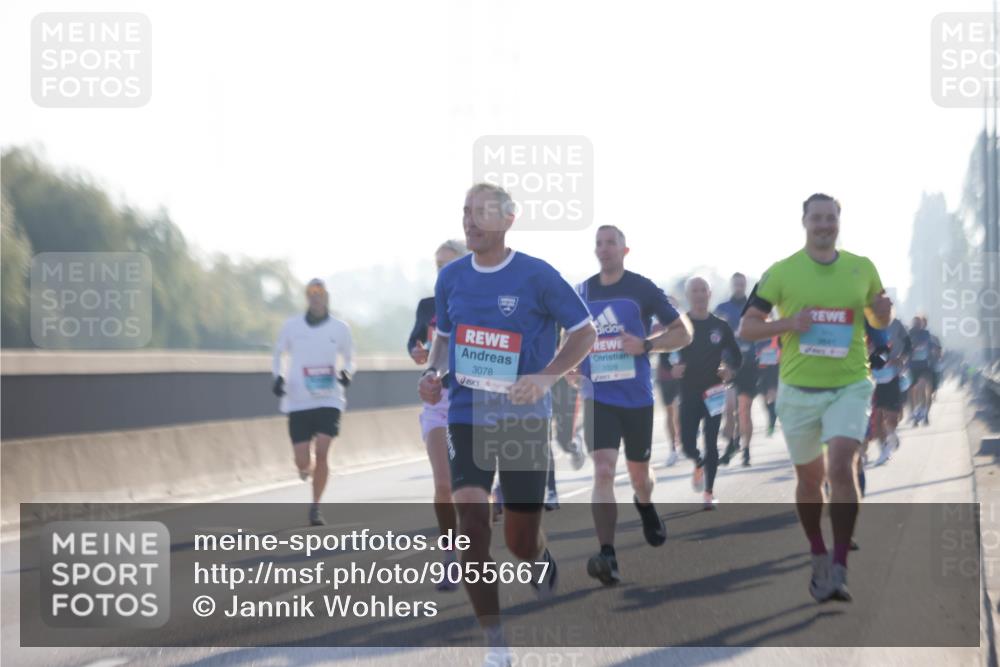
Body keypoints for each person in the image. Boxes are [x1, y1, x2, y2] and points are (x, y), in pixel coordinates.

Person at [418, 183, 596, 667]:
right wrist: (433, 374)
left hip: (523, 421)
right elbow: (445, 338)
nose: (470, 222)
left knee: (519, 540)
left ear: (508, 219)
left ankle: (539, 559)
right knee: (471, 525)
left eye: (480, 213)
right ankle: (496, 645)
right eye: (465, 213)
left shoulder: (537, 276)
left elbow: (585, 333)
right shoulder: (451, 277)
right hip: (466, 416)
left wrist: (544, 378)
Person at [739, 193, 891, 603]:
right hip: (798, 390)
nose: (824, 225)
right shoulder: (782, 272)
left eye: (831, 218)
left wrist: (881, 310)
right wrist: (791, 322)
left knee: (841, 466)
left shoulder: (862, 268)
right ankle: (818, 553)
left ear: (839, 222)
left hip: (850, 385)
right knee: (809, 480)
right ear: (804, 222)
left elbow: (879, 318)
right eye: (817, 218)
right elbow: (748, 328)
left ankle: (840, 565)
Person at [577, 225, 691, 586]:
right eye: (599, 243)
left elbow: (683, 331)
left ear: (625, 250)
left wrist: (646, 345)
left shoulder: (642, 288)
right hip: (598, 397)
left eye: (611, 243)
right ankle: (607, 553)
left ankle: (644, 504)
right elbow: (569, 336)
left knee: (640, 476)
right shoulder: (582, 292)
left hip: (636, 398)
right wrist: (568, 367)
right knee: (604, 471)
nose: (604, 249)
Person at [407, 240, 470, 590]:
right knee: (444, 485)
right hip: (436, 399)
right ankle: (450, 559)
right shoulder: (428, 305)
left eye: (448, 264)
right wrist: (418, 353)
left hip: (473, 398)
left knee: (470, 491)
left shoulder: (478, 302)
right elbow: (415, 340)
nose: (442, 271)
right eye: (438, 265)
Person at [272, 279, 355, 526]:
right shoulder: (292, 326)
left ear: (327, 296)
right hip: (298, 399)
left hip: (329, 397)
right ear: (307, 297)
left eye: (320, 292)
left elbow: (350, 358)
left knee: (322, 451)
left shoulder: (340, 328)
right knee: (302, 459)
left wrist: (347, 373)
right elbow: (278, 353)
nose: (316, 297)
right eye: (311, 293)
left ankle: (316, 507)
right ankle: (304, 468)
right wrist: (278, 377)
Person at [674, 276, 741, 509]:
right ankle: (698, 461)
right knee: (686, 444)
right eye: (695, 290)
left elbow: (736, 356)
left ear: (709, 294)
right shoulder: (680, 326)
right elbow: (665, 357)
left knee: (711, 441)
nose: (699, 294)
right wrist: (672, 368)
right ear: (688, 295)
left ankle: (709, 493)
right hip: (688, 392)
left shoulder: (720, 326)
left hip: (713, 392)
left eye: (703, 290)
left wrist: (728, 370)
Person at [714, 273, 749, 463]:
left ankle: (744, 447)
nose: (739, 286)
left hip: (749, 363)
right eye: (736, 283)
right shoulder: (721, 309)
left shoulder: (752, 307)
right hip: (728, 364)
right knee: (729, 408)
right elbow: (712, 334)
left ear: (745, 285)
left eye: (742, 283)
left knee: (744, 409)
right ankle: (731, 444)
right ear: (732, 284)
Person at [871, 317, 910, 466]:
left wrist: (901, 358)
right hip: (875, 379)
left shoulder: (896, 324)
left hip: (893, 376)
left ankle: (890, 439)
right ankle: (884, 449)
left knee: (891, 416)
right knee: (877, 419)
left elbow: (908, 345)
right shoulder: (868, 322)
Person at [907, 316, 934, 426]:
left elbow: (923, 344)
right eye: (915, 323)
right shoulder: (908, 334)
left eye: (918, 323)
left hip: (924, 365)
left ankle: (925, 414)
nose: (917, 325)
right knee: (913, 392)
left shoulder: (925, 333)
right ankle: (915, 415)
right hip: (912, 366)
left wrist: (914, 347)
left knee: (922, 389)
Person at [757, 335, 781, 437]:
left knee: (772, 396)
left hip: (774, 368)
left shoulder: (778, 334)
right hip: (762, 369)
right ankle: (771, 418)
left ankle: (772, 423)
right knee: (764, 400)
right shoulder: (760, 334)